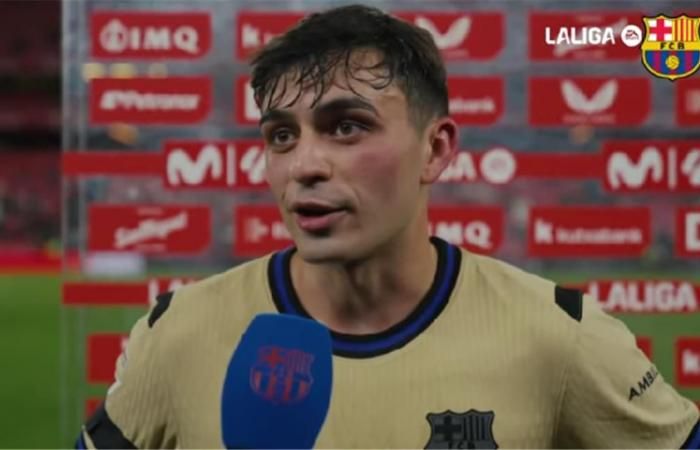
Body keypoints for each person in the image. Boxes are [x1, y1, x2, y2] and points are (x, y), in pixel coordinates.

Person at [78, 4, 699, 449]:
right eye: (282, 136)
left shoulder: (560, 337)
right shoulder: (178, 335)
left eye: (346, 126)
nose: (305, 165)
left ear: (436, 149)